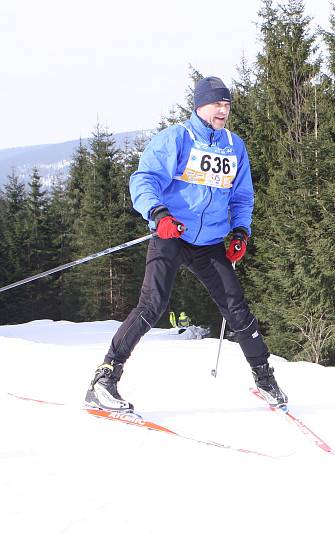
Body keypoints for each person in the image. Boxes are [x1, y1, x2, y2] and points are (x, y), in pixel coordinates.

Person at [85, 76, 287, 412]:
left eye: (227, 105)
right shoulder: (178, 138)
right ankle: (104, 378)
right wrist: (159, 213)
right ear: (200, 106)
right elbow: (144, 178)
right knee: (152, 305)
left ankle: (264, 376)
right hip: (172, 234)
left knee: (236, 307)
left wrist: (240, 232)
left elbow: (241, 195)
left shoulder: (234, 146)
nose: (223, 110)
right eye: (217, 104)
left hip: (208, 243)